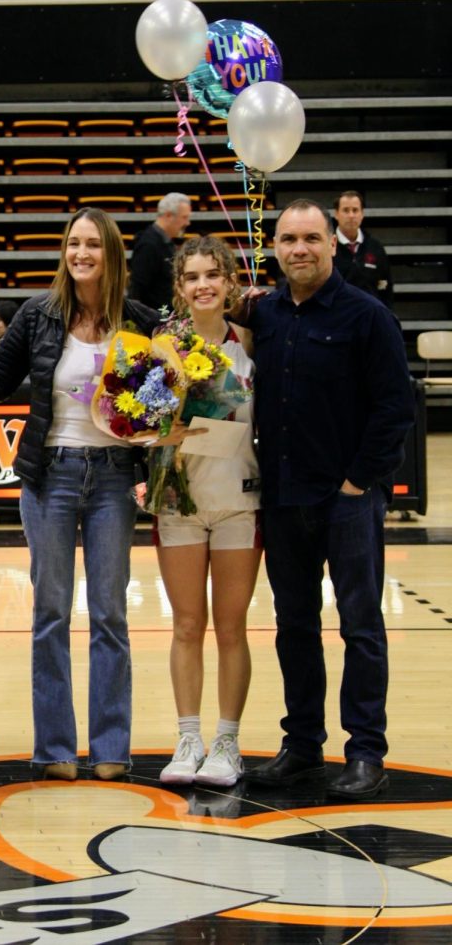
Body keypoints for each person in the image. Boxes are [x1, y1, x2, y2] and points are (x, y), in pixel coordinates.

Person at [0, 208, 160, 781]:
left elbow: (160, 404)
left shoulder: (140, 320)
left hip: (112, 478)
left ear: (111, 253)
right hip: (50, 476)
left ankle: (111, 748)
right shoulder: (38, 314)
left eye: (92, 245)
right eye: (73, 244)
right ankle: (55, 749)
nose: (81, 254)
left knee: (111, 614)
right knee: (50, 613)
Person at [236, 199, 413, 800]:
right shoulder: (266, 317)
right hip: (284, 498)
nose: (300, 248)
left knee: (360, 626)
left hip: (347, 500)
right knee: (294, 627)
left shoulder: (368, 316)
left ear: (332, 244)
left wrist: (358, 481)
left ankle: (365, 751)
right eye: (288, 239)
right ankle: (303, 745)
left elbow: (396, 407)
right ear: (276, 248)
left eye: (312, 237)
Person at [152, 237, 260, 789]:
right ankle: (188, 737)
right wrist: (159, 431)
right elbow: (142, 425)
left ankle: (227, 741)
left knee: (233, 627)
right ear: (180, 287)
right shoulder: (160, 348)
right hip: (179, 503)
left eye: (213, 276)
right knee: (188, 625)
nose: (202, 285)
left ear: (230, 283)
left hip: (240, 501)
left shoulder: (252, 344)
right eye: (192, 277)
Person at [128, 193, 192, 315]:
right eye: (184, 217)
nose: (188, 223)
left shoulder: (166, 243)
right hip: (155, 323)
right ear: (168, 215)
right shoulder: (148, 245)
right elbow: (137, 289)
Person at [332, 190, 393, 311]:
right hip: (336, 319)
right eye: (346, 210)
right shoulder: (327, 247)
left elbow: (385, 287)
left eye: (355, 210)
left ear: (362, 214)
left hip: (369, 319)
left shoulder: (375, 248)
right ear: (336, 214)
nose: (351, 215)